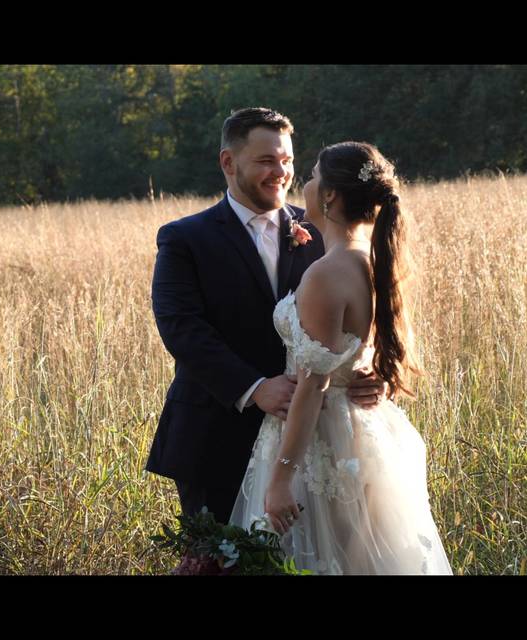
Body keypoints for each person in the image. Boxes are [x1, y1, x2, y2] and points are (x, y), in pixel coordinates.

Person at [146, 108, 385, 525]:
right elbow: (181, 328)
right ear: (228, 162)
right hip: (217, 435)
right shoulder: (185, 238)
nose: (281, 172)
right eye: (266, 161)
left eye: (288, 160)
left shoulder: (322, 227)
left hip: (312, 442)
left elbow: (357, 317)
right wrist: (254, 388)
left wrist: (370, 372)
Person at [229, 141, 453, 574]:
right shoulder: (371, 259)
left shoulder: (327, 273)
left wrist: (280, 479)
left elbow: (314, 385)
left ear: (329, 195)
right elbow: (360, 349)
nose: (305, 184)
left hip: (321, 442)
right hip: (361, 431)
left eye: (312, 176)